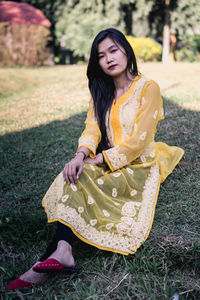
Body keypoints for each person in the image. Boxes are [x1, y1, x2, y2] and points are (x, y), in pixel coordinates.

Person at [6, 28, 184, 290]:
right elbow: (92, 129)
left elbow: (138, 141)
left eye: (113, 50)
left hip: (138, 163)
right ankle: (62, 250)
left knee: (84, 176)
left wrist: (98, 159)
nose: (109, 58)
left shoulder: (148, 88)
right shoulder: (101, 91)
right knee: (73, 173)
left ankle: (43, 265)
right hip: (106, 158)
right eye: (101, 55)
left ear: (126, 50)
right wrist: (80, 156)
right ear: (97, 62)